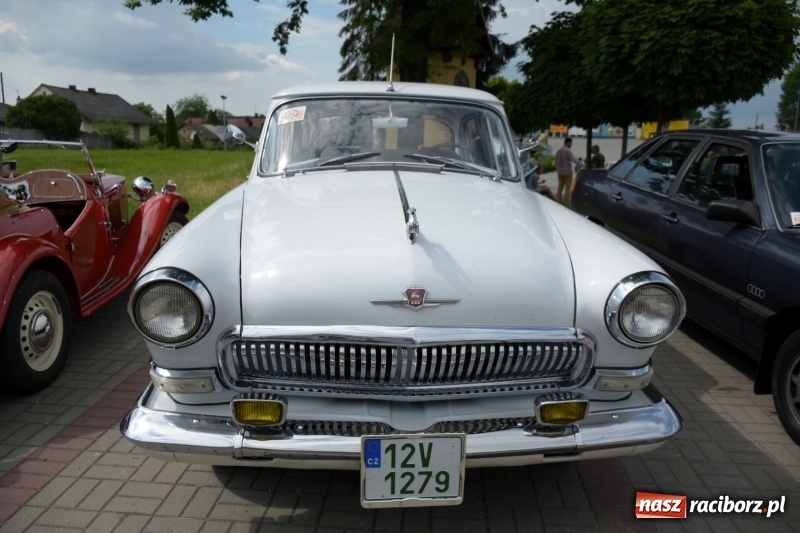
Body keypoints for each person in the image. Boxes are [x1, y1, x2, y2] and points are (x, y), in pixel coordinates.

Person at [555, 137, 583, 204]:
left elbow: (556, 162)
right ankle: (565, 201)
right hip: (567, 172)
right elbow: (574, 160)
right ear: (568, 142)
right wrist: (582, 164)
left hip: (560, 172)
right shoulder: (568, 151)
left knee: (560, 187)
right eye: (571, 143)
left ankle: (558, 201)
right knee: (568, 188)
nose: (571, 145)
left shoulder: (558, 151)